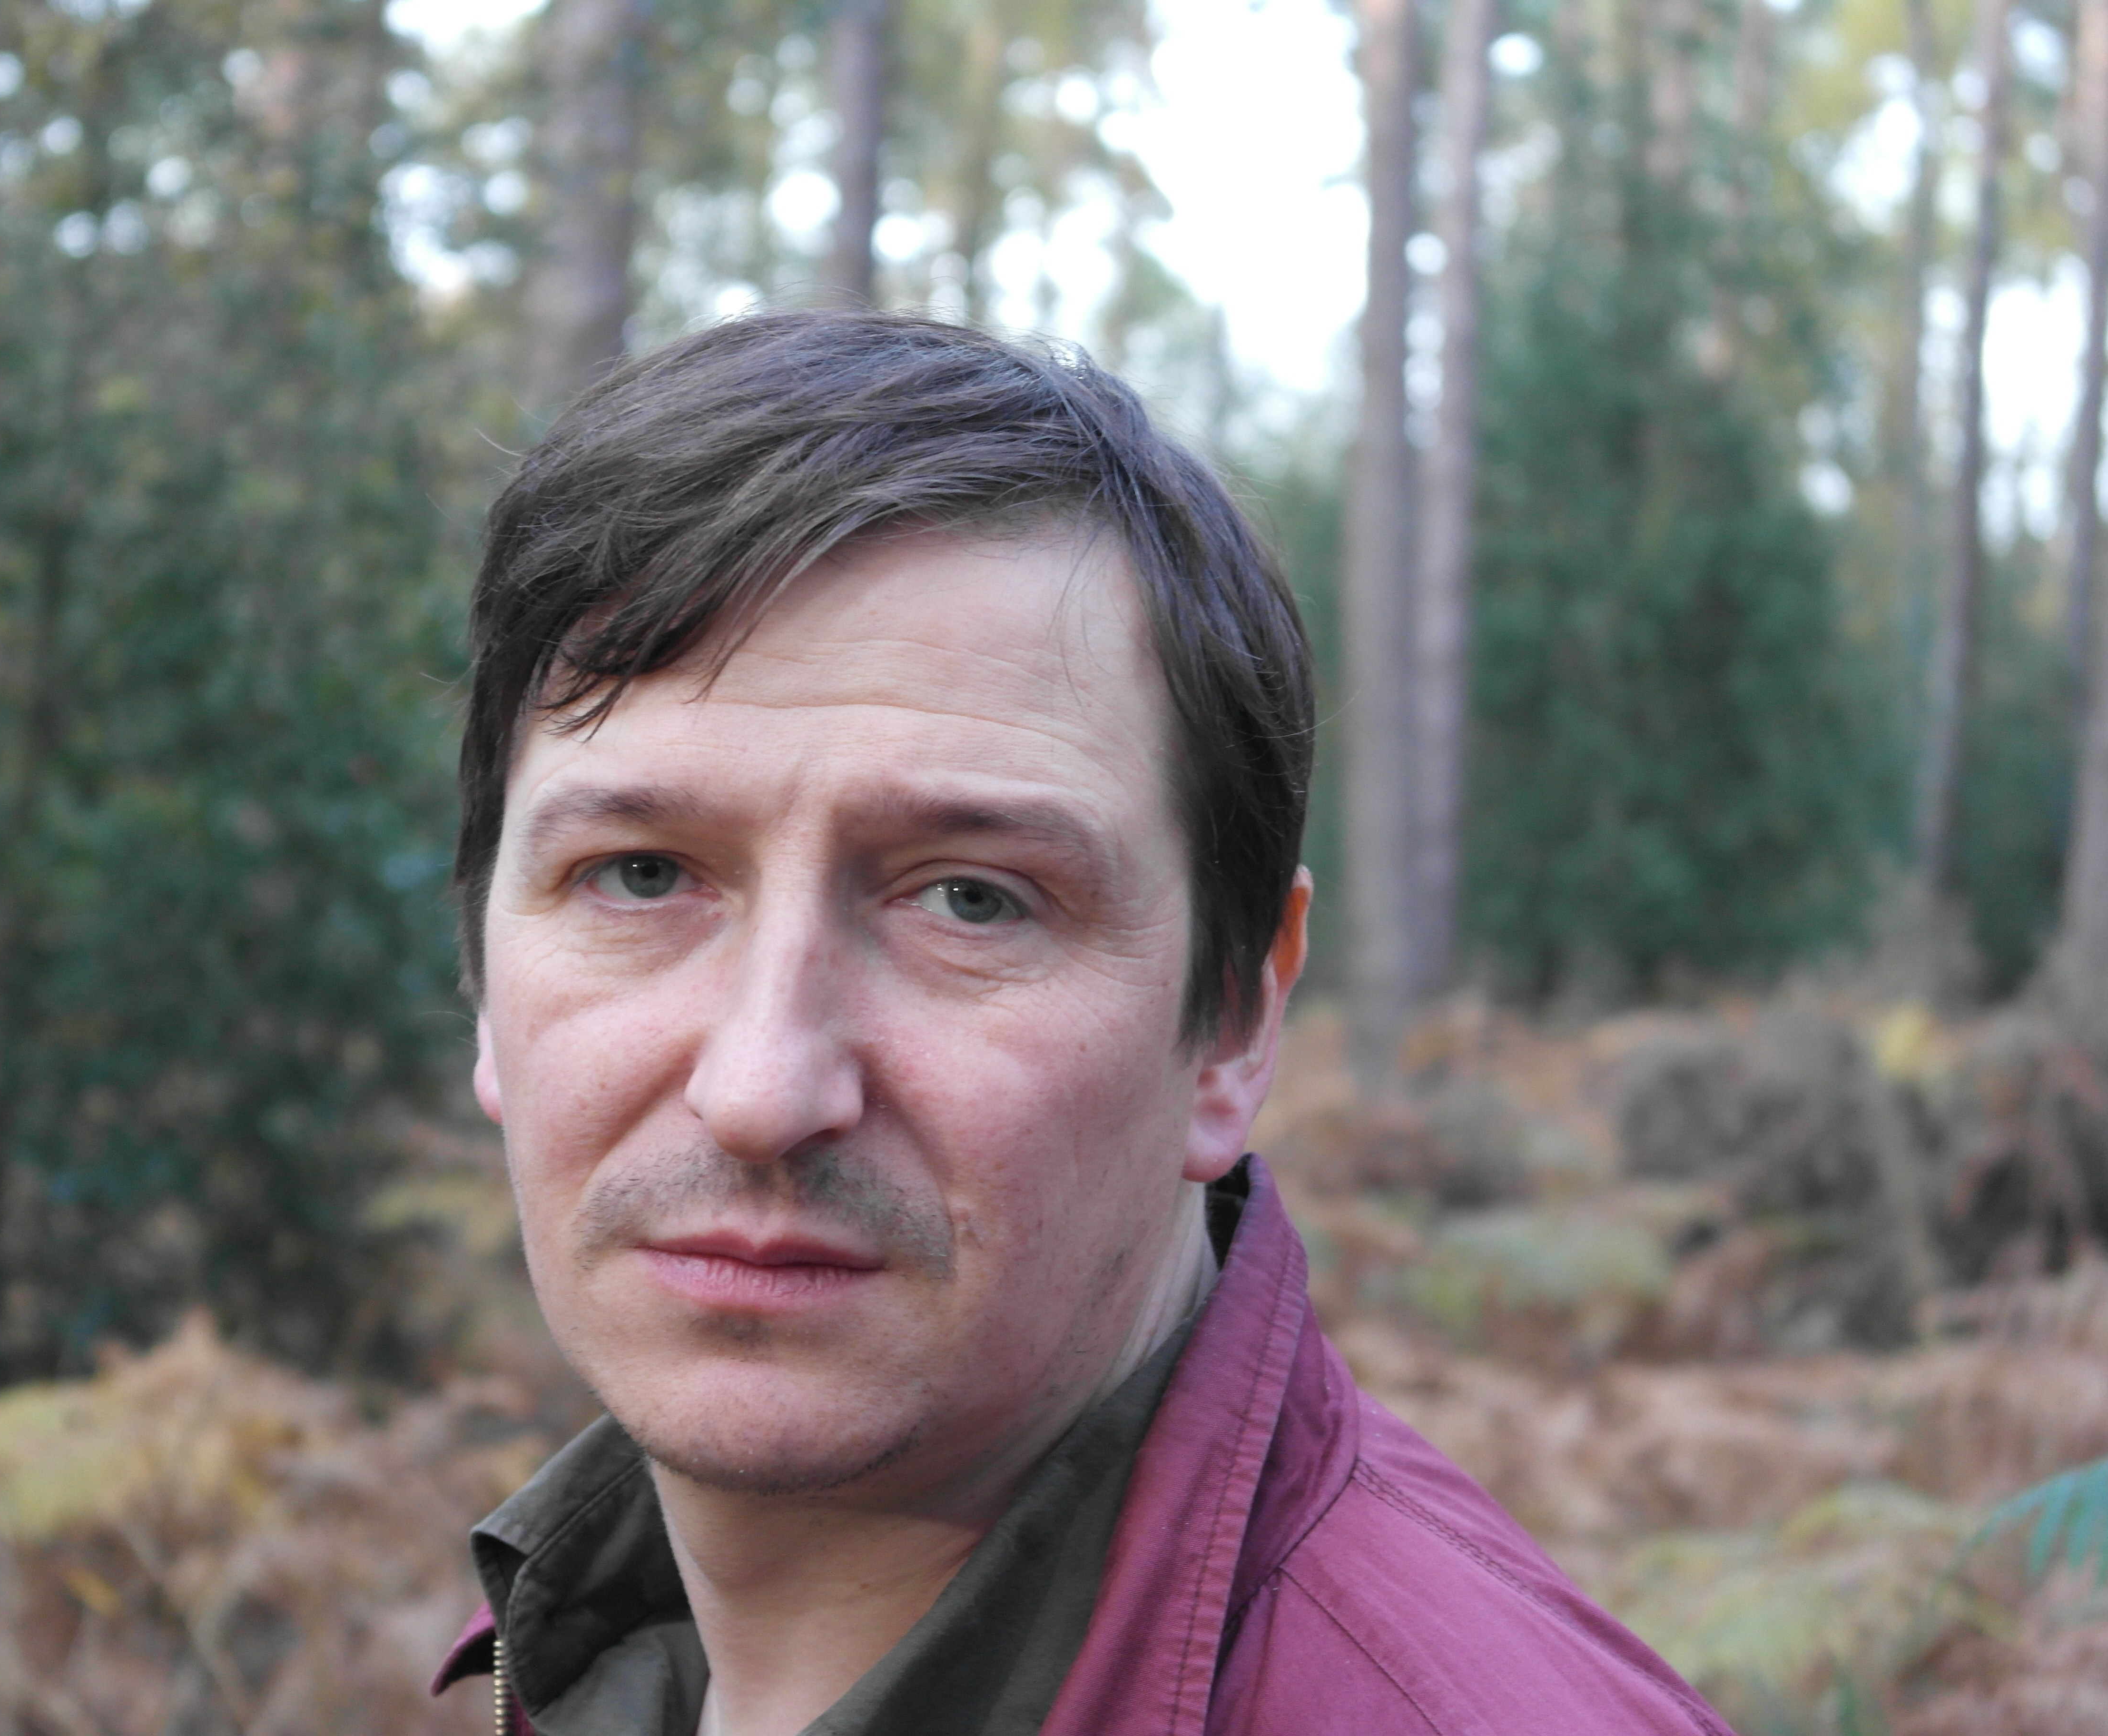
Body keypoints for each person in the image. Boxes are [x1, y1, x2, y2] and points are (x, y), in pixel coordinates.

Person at [431, 312, 1729, 1736]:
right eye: (638, 875)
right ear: (482, 967)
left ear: (1233, 1019)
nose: (761, 1090)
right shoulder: (601, 1658)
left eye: (971, 901)